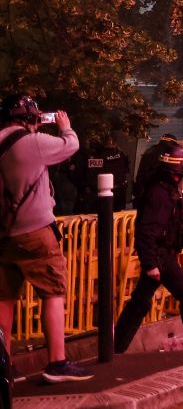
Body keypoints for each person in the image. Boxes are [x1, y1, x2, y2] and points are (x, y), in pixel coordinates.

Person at [0, 95, 92, 384]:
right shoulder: (34, 142)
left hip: (3, 236)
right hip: (36, 232)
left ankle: (4, 365)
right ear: (32, 118)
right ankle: (57, 362)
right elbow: (71, 146)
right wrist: (65, 126)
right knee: (53, 292)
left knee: (3, 300)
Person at [113, 145, 183, 354]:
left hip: (162, 254)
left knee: (139, 302)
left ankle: (115, 348)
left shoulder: (165, 187)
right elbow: (146, 231)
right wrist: (150, 263)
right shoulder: (160, 193)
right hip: (160, 257)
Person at [72, 138, 130, 212]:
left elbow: (78, 175)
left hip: (95, 197)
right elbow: (126, 172)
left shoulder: (92, 156)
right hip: (118, 195)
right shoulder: (121, 154)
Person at [133, 134, 179, 208]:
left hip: (145, 194)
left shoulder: (149, 151)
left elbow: (140, 175)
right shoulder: (170, 152)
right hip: (163, 195)